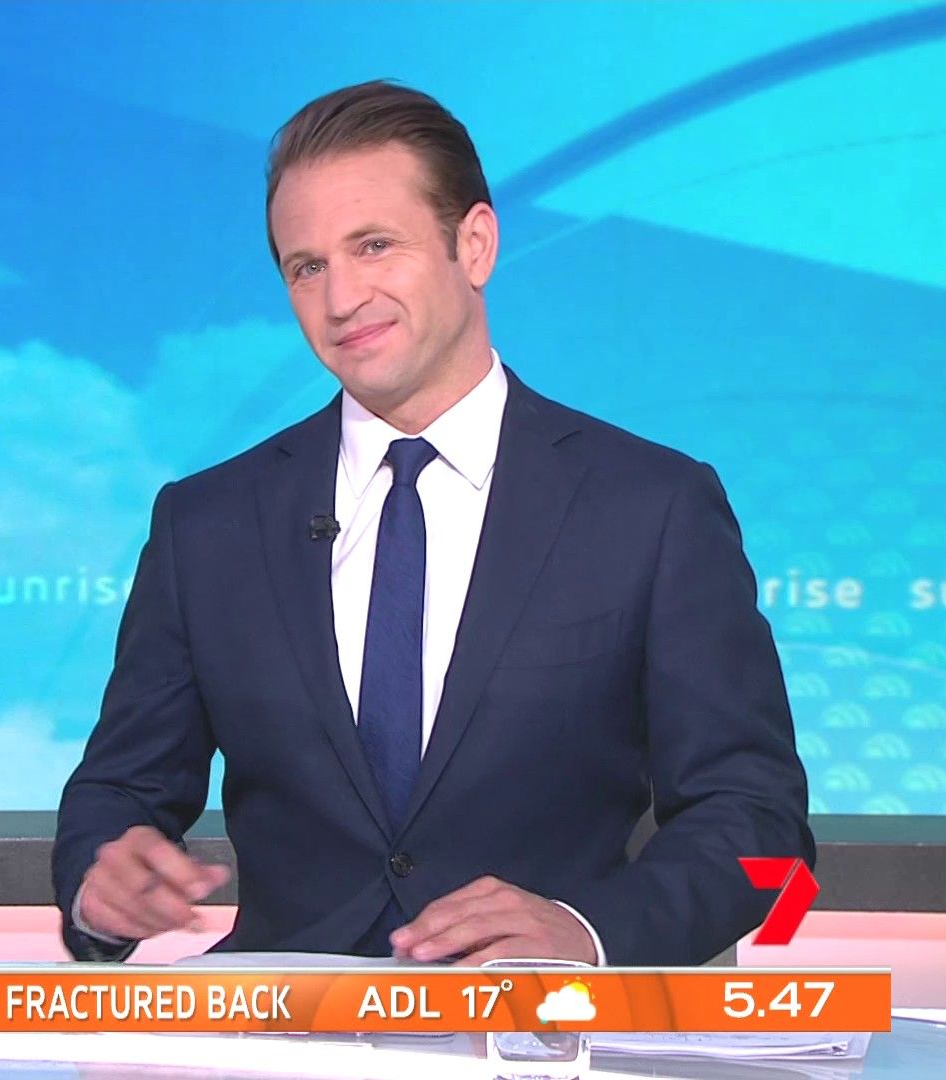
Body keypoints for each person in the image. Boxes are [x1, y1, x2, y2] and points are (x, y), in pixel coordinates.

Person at [53, 81, 813, 967]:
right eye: (307, 267)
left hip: (537, 1025)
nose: (342, 298)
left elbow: (761, 829)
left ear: (475, 244)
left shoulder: (650, 506)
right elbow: (119, 792)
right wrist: (101, 888)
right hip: (277, 1028)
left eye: (374, 246)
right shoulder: (207, 525)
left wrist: (588, 930)